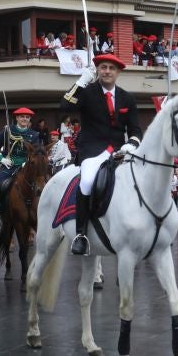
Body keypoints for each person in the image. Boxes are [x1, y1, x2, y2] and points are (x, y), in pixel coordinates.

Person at [61, 54, 142, 256]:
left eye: (111, 68)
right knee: (87, 181)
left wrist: (133, 143)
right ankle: (81, 234)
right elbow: (65, 107)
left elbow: (135, 129)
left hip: (120, 151)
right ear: (97, 70)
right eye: (103, 67)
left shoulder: (127, 98)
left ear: (118, 72)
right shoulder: (87, 93)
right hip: (93, 151)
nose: (107, 71)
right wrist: (81, 82)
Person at [0, 107, 42, 226]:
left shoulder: (34, 135)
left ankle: (40, 213)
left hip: (26, 165)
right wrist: (2, 159)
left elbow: (36, 152)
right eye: (22, 117)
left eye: (27, 117)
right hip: (9, 164)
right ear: (17, 118)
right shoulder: (8, 131)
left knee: (39, 186)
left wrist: (27, 161)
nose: (24, 119)